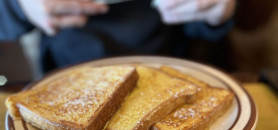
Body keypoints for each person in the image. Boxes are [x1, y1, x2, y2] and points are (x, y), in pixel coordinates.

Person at [0, 0, 236, 73]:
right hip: (64, 71)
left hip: (169, 64)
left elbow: (200, 24)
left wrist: (217, 12)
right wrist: (19, 6)